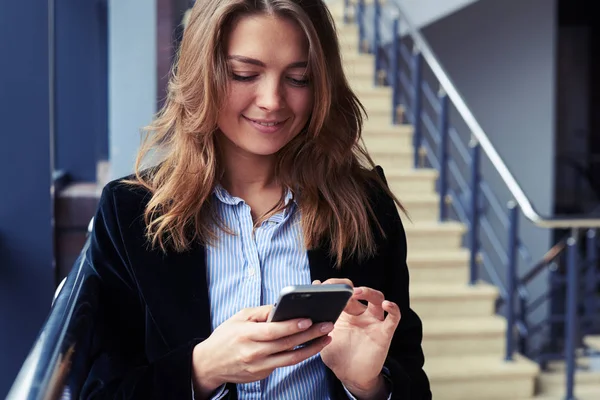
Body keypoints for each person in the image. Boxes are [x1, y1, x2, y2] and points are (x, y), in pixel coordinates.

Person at [81, 0, 431, 399]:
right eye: (244, 74)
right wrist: (202, 369)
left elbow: (413, 385)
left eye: (298, 78)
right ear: (203, 73)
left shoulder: (366, 208)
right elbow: (101, 391)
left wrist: (367, 384)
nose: (273, 101)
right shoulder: (130, 211)